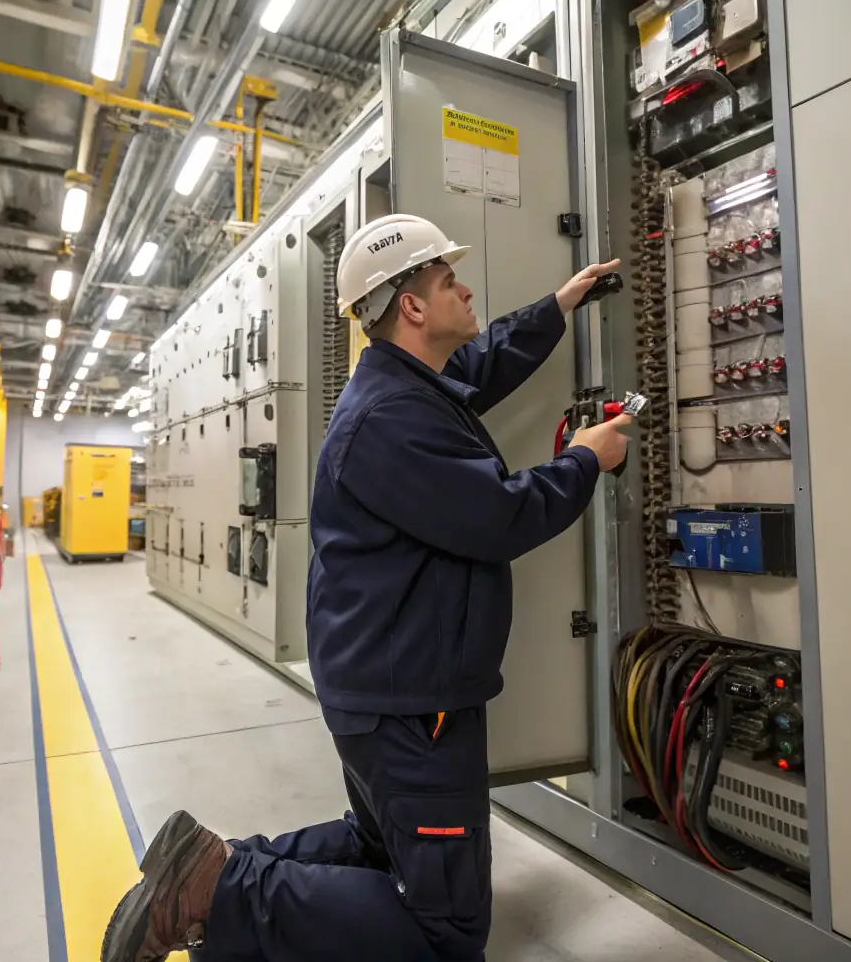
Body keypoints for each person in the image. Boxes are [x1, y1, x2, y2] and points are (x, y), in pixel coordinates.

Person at [101, 214, 633, 962]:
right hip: (411, 703)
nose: (466, 288)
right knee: (444, 933)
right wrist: (586, 458)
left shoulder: (406, 384)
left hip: (388, 685)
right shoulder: (390, 418)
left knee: (383, 843)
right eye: (448, 280)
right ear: (411, 306)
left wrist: (558, 305)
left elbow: (479, 367)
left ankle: (206, 868)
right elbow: (500, 517)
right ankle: (217, 891)